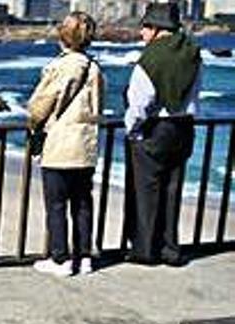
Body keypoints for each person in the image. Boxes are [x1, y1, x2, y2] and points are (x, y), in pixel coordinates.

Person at [124, 2, 202, 266]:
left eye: (145, 27)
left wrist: (133, 132)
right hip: (184, 128)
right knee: (172, 189)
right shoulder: (192, 53)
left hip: (157, 129)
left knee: (147, 190)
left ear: (157, 29)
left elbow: (139, 104)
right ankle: (170, 249)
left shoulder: (150, 59)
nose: (141, 34)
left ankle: (145, 251)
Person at [27, 11, 105, 277]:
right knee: (83, 204)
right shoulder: (94, 67)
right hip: (85, 144)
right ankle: (84, 257)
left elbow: (40, 106)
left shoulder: (62, 66)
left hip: (60, 144)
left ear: (63, 35)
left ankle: (60, 259)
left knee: (57, 204)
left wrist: (33, 120)